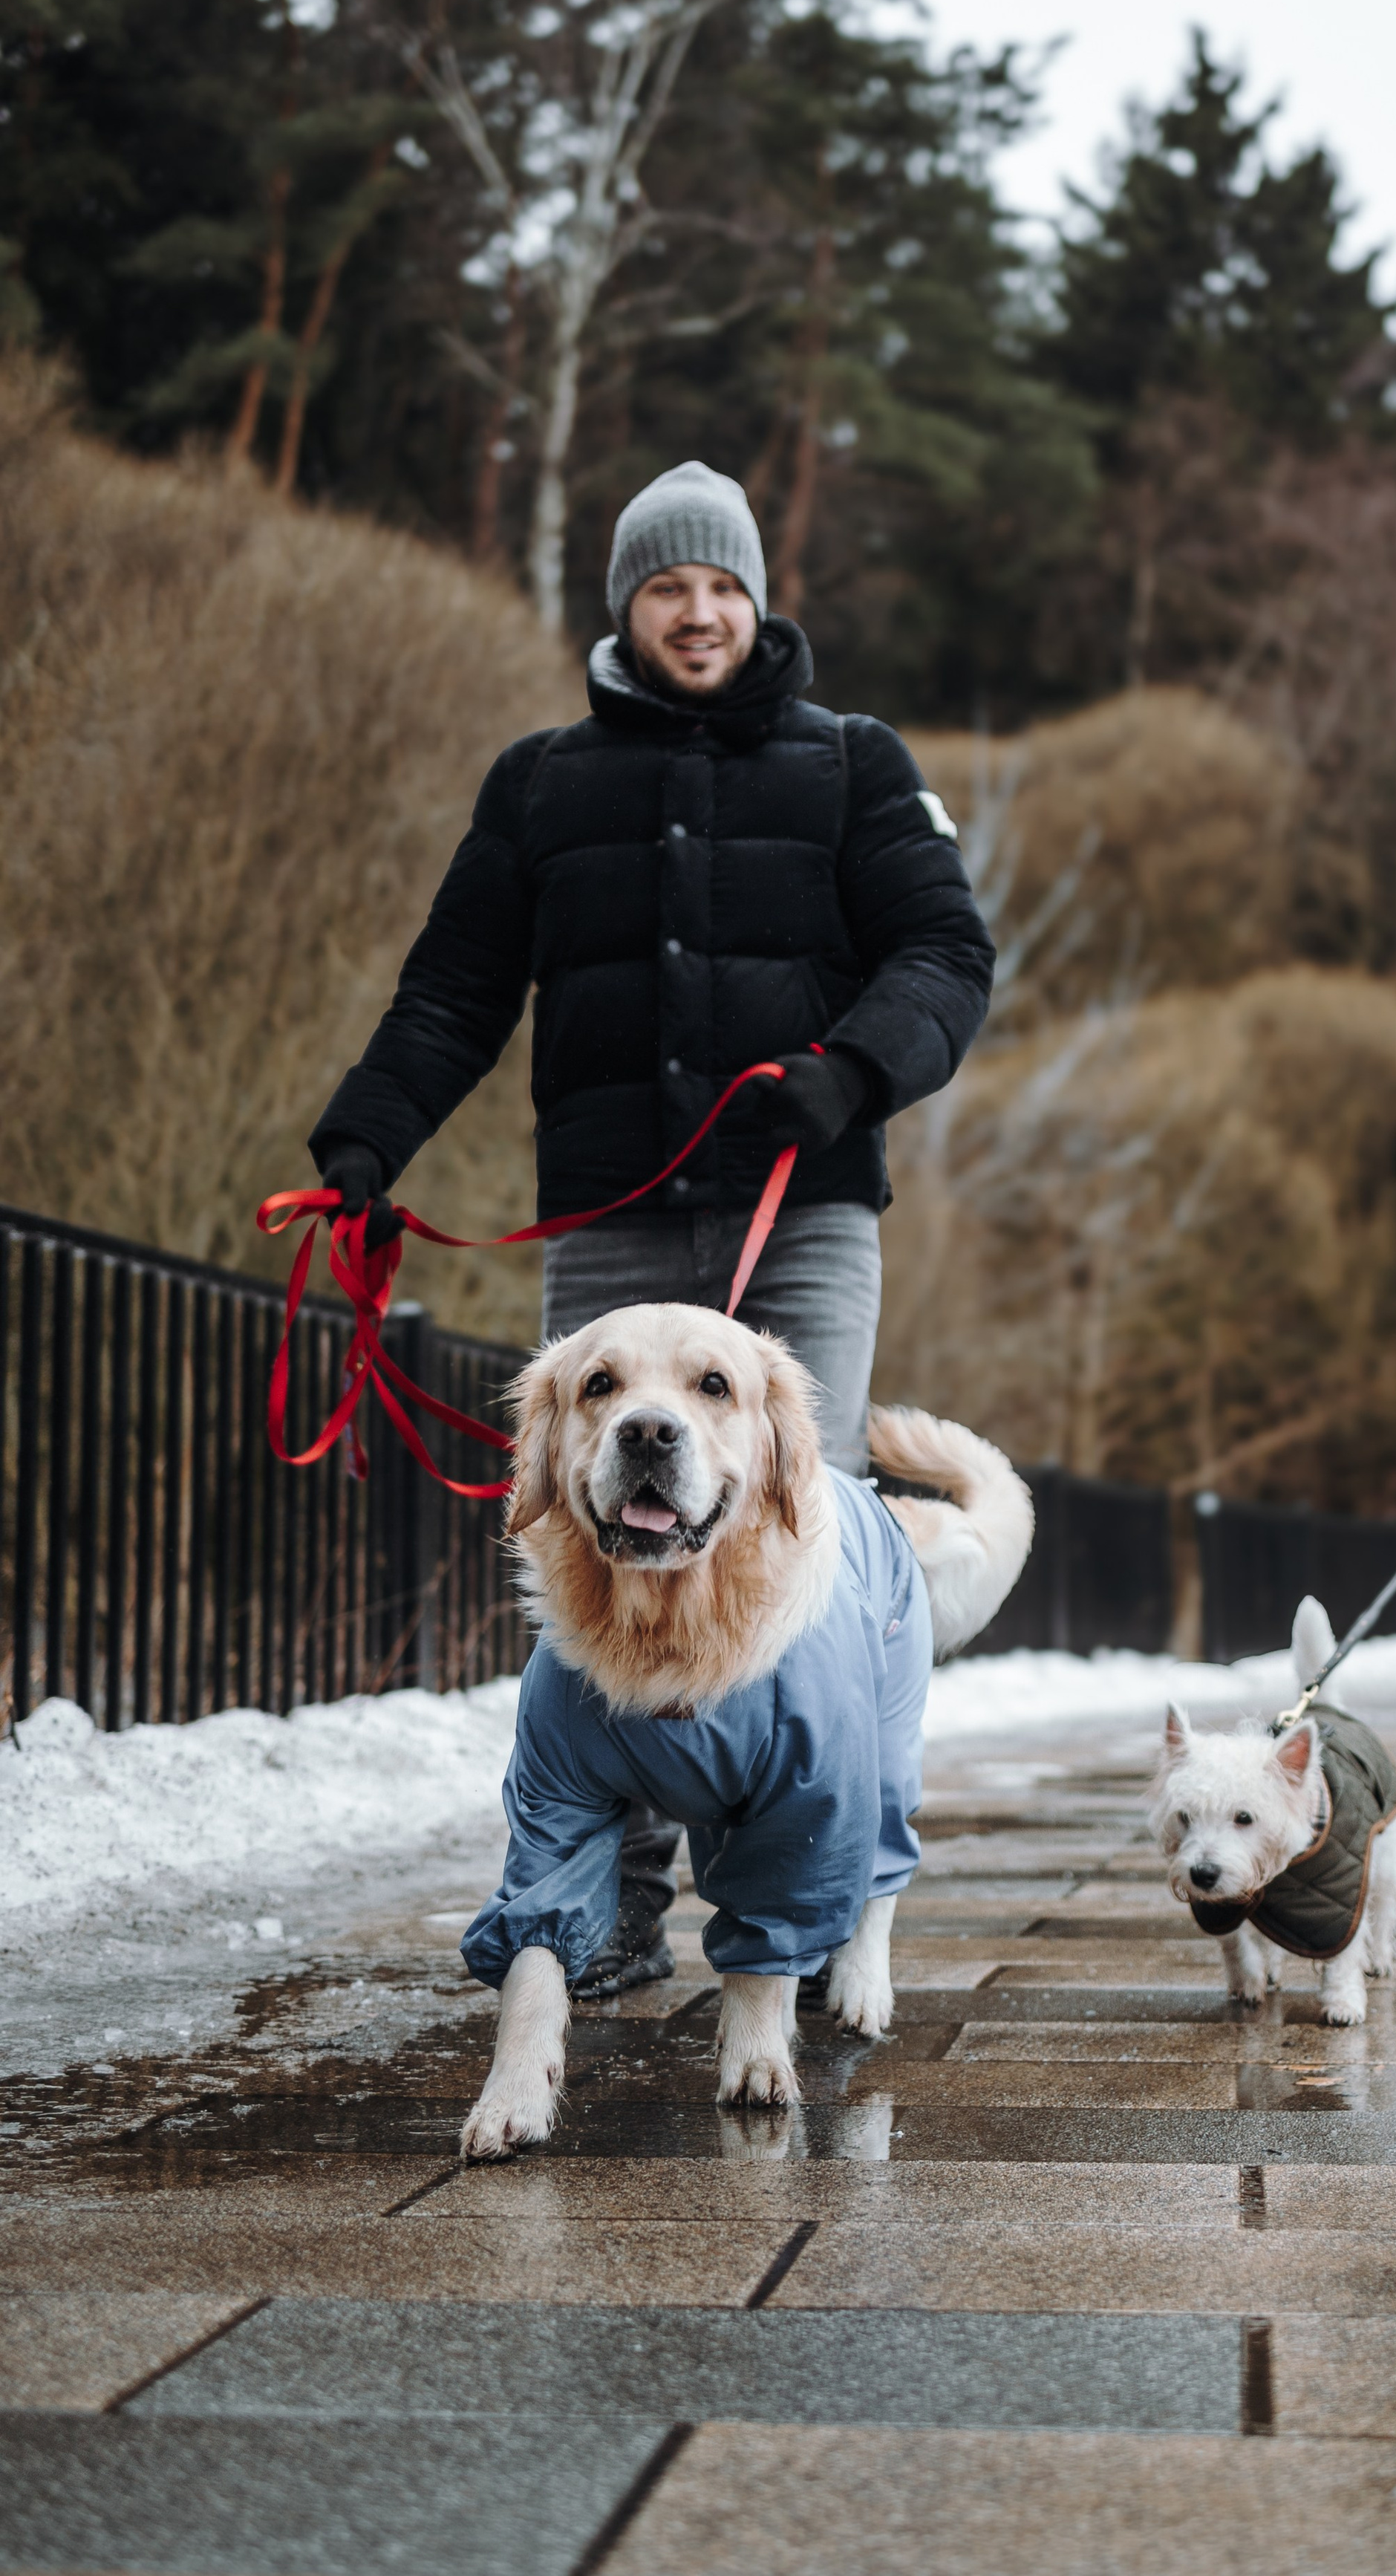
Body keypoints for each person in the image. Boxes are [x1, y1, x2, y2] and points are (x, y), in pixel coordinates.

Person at [309, 459, 994, 1990]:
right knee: (592, 1542)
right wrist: (367, 1136)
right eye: (667, 585)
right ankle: (602, 1908)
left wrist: (849, 1072)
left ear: (758, 600)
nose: (699, 612)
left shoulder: (853, 764)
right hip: (612, 1229)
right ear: (626, 604)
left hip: (798, 1211)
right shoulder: (543, 781)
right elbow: (455, 988)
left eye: (723, 586)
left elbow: (946, 953)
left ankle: (797, 1906)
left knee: (793, 1536)